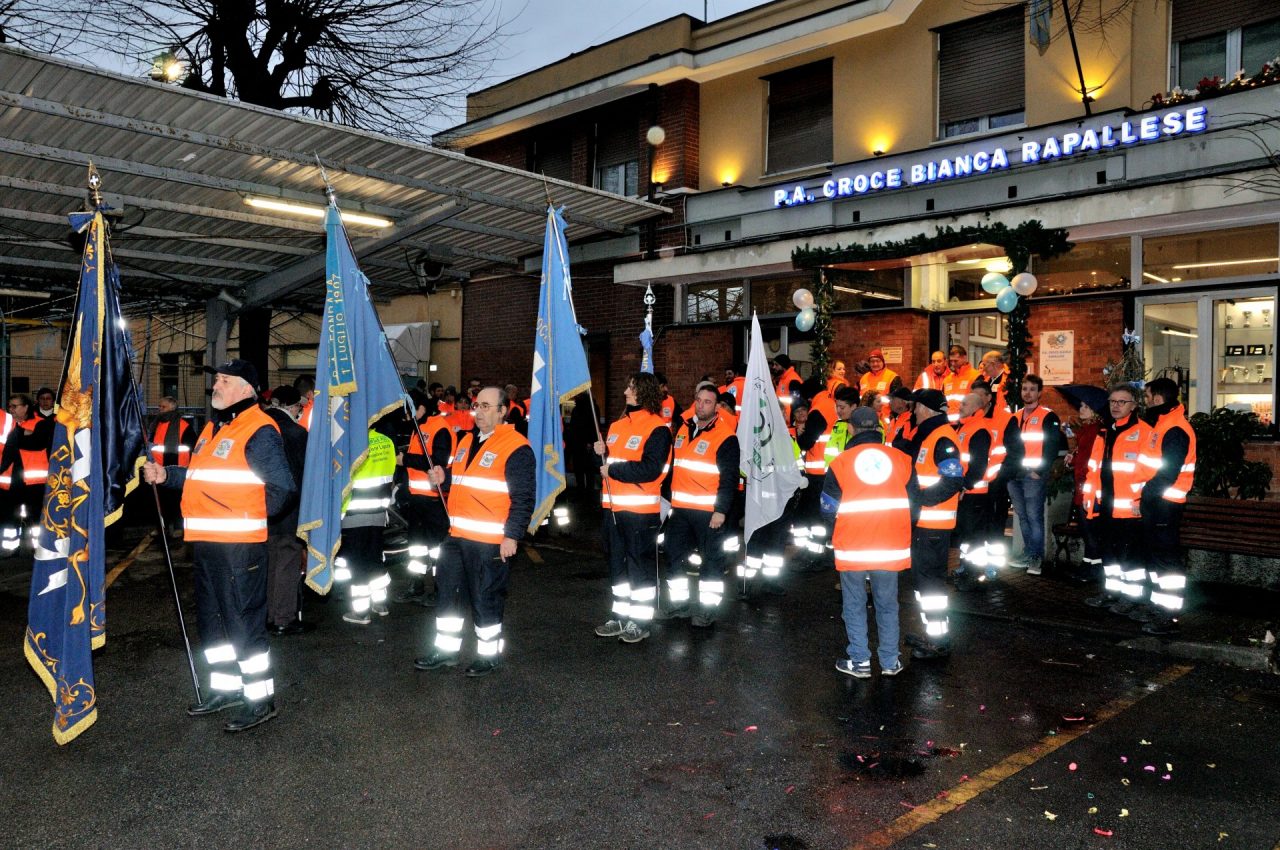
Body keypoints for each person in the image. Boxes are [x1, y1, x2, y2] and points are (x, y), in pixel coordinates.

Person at [143, 360, 294, 733]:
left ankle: (260, 700)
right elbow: (199, 478)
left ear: (247, 389)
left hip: (239, 547)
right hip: (207, 545)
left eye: (225, 380)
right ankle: (226, 689)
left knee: (244, 624)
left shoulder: (259, 429)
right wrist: (166, 475)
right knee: (213, 623)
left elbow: (283, 490)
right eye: (217, 380)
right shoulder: (213, 427)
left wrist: (242, 516)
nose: (217, 385)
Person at [414, 386, 535, 675]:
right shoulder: (466, 441)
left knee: (486, 598)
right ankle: (446, 651)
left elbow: (524, 497)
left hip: (490, 541)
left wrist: (512, 535)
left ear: (503, 411)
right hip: (456, 535)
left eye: (485, 406)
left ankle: (488, 654)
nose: (478, 412)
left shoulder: (516, 447)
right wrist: (443, 478)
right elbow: (461, 481)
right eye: (476, 406)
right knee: (448, 596)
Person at [822, 406, 912, 678]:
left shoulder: (841, 462)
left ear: (851, 428)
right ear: (879, 429)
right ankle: (890, 661)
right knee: (887, 603)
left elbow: (827, 507)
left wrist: (835, 529)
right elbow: (915, 501)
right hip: (890, 546)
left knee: (854, 603)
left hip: (853, 546)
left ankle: (860, 660)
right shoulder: (902, 459)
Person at [593, 372, 672, 644]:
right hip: (613, 508)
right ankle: (620, 616)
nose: (626, 391)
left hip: (640, 513)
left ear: (643, 393)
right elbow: (608, 465)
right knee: (617, 566)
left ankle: (640, 622)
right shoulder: (616, 426)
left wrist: (612, 468)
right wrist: (602, 452)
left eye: (631, 387)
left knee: (640, 567)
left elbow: (651, 469)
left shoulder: (658, 429)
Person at [663, 384, 740, 628]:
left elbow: (729, 478)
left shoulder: (726, 436)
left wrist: (721, 510)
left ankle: (707, 610)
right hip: (680, 509)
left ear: (717, 407)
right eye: (698, 400)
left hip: (709, 513)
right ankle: (680, 605)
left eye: (707, 401)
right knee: (673, 556)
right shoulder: (684, 430)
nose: (701, 405)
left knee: (711, 562)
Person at [1082, 385, 1156, 616]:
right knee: (1110, 554)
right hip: (1106, 505)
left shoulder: (1144, 432)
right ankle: (1112, 592)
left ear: (1134, 405)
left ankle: (1131, 598)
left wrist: (1139, 500)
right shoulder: (1104, 432)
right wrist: (1089, 497)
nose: (1115, 406)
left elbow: (1150, 472)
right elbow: (1093, 469)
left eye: (1121, 402)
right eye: (1112, 401)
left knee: (1130, 557)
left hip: (1131, 508)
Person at [904, 388, 965, 660]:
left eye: (916, 407)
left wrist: (922, 500)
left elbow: (953, 480)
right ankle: (932, 634)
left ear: (926, 409)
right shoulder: (932, 435)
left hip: (933, 525)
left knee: (931, 585)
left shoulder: (941, 437)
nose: (913, 412)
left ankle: (938, 642)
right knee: (925, 583)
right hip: (926, 524)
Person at [1138, 377, 1197, 635]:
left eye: (1148, 396)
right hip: (1159, 503)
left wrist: (1146, 494)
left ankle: (1168, 616)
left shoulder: (1174, 429)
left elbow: (1167, 473)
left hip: (1165, 504)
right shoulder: (1164, 424)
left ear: (1158, 399)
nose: (1145, 401)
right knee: (1157, 560)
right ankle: (1159, 607)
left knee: (1166, 563)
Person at [336, 421, 396, 625]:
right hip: (379, 512)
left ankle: (361, 612)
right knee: (374, 558)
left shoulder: (350, 444)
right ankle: (380, 603)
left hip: (354, 513)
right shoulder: (386, 441)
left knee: (358, 564)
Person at [399, 393, 457, 606]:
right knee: (416, 547)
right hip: (418, 499)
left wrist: (405, 459)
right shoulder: (420, 426)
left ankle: (440, 589)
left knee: (436, 548)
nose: (405, 415)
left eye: (408, 409)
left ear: (421, 407)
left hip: (435, 500)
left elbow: (437, 462)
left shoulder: (439, 427)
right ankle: (416, 585)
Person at [262, 387, 309, 635]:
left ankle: (269, 616)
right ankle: (284, 618)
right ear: (292, 407)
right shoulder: (297, 433)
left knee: (269, 563)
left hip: (262, 509)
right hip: (290, 511)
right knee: (288, 564)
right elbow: (304, 476)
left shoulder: (258, 427)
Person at [1009, 374, 1062, 575]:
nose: (1027, 393)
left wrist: (1039, 471)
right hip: (1015, 476)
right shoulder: (1014, 417)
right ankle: (1028, 552)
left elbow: (1052, 446)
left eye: (1032, 389)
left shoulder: (1048, 416)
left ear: (1039, 393)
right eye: (1024, 389)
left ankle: (1036, 557)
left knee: (1033, 517)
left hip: (1033, 476)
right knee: (1022, 517)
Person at [952, 392, 997, 590]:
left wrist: (964, 485)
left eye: (964, 403)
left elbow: (978, 466)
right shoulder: (965, 426)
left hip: (974, 494)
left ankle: (974, 576)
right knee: (966, 536)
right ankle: (966, 568)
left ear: (976, 408)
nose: (960, 406)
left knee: (975, 538)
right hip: (967, 493)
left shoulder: (978, 430)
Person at [1, 392, 53, 552]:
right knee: (10, 517)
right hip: (11, 481)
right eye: (10, 406)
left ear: (26, 407)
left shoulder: (41, 423)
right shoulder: (10, 426)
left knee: (35, 516)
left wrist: (18, 436)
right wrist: (21, 435)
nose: (12, 409)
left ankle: (38, 547)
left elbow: (37, 443)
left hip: (34, 481)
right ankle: (10, 548)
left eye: (15, 406)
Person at [795, 379, 836, 557]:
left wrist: (800, 433)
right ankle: (823, 554)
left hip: (818, 473)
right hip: (830, 469)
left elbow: (806, 442)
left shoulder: (818, 410)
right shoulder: (831, 404)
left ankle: (815, 556)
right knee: (824, 515)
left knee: (814, 517)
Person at [149, 396, 196, 535]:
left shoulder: (184, 426)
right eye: (159, 406)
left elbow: (192, 447)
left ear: (171, 408)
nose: (159, 409)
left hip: (178, 471)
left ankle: (177, 527)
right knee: (159, 502)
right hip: (158, 469)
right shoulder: (156, 424)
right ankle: (161, 528)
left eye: (162, 407)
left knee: (177, 502)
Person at [859, 348, 902, 429]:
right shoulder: (863, 378)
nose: (875, 364)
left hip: (886, 423)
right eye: (872, 361)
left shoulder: (892, 377)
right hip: (866, 421)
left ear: (883, 362)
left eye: (878, 361)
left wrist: (893, 419)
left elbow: (898, 402)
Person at [943, 345, 980, 423]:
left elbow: (979, 403)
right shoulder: (947, 379)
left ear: (964, 358)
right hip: (949, 424)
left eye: (956, 361)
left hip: (968, 422)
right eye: (951, 361)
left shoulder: (976, 376)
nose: (953, 364)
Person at [0, 398, 18, 555]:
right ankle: (9, 548)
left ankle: (9, 548)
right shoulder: (8, 419)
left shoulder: (8, 420)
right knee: (7, 516)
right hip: (5, 478)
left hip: (4, 477)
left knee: (7, 516)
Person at [771, 355, 802, 426]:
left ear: (783, 366)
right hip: (783, 420)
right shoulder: (783, 379)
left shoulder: (793, 380)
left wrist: (793, 422)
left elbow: (797, 403)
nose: (774, 367)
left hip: (789, 422)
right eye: (773, 365)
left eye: (776, 365)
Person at [885, 387, 916, 451]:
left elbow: (907, 445)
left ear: (903, 401)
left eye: (892, 399)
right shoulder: (894, 419)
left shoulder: (910, 420)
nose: (890, 402)